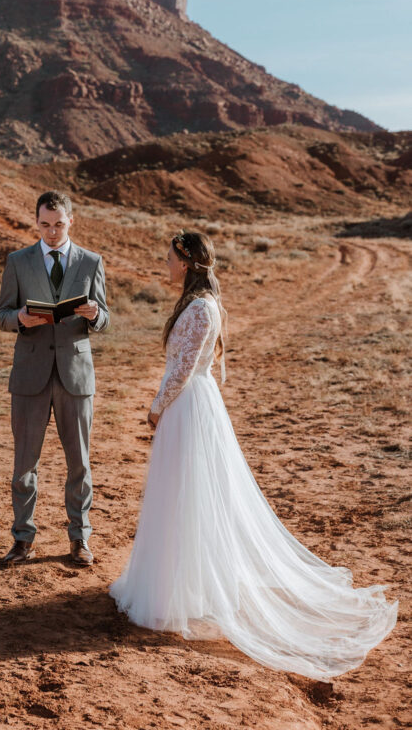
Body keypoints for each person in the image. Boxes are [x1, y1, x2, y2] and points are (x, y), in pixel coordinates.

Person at [109, 230, 397, 680]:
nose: (165, 264)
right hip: (192, 404)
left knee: (189, 496)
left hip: (187, 407)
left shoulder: (201, 307)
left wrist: (156, 408)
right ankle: (180, 587)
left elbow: (183, 368)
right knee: (182, 496)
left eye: (169, 258)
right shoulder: (199, 303)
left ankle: (185, 593)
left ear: (185, 263)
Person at [0, 190, 110, 566]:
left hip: (76, 375)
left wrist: (94, 314)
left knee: (80, 462)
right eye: (45, 225)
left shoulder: (92, 262)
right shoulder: (18, 261)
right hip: (30, 374)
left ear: (70, 221)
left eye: (59, 224)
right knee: (24, 463)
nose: (52, 232)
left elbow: (105, 319)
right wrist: (19, 319)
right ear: (37, 222)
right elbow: (2, 315)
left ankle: (80, 538)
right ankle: (22, 539)